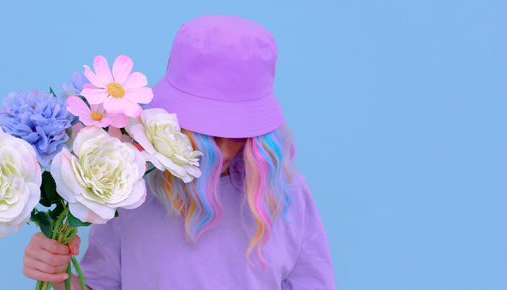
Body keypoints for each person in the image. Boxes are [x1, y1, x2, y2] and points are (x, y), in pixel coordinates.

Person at [22, 14, 336, 289]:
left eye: (241, 132)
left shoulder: (287, 195)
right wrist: (57, 274)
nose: (224, 150)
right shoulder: (129, 191)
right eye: (207, 131)